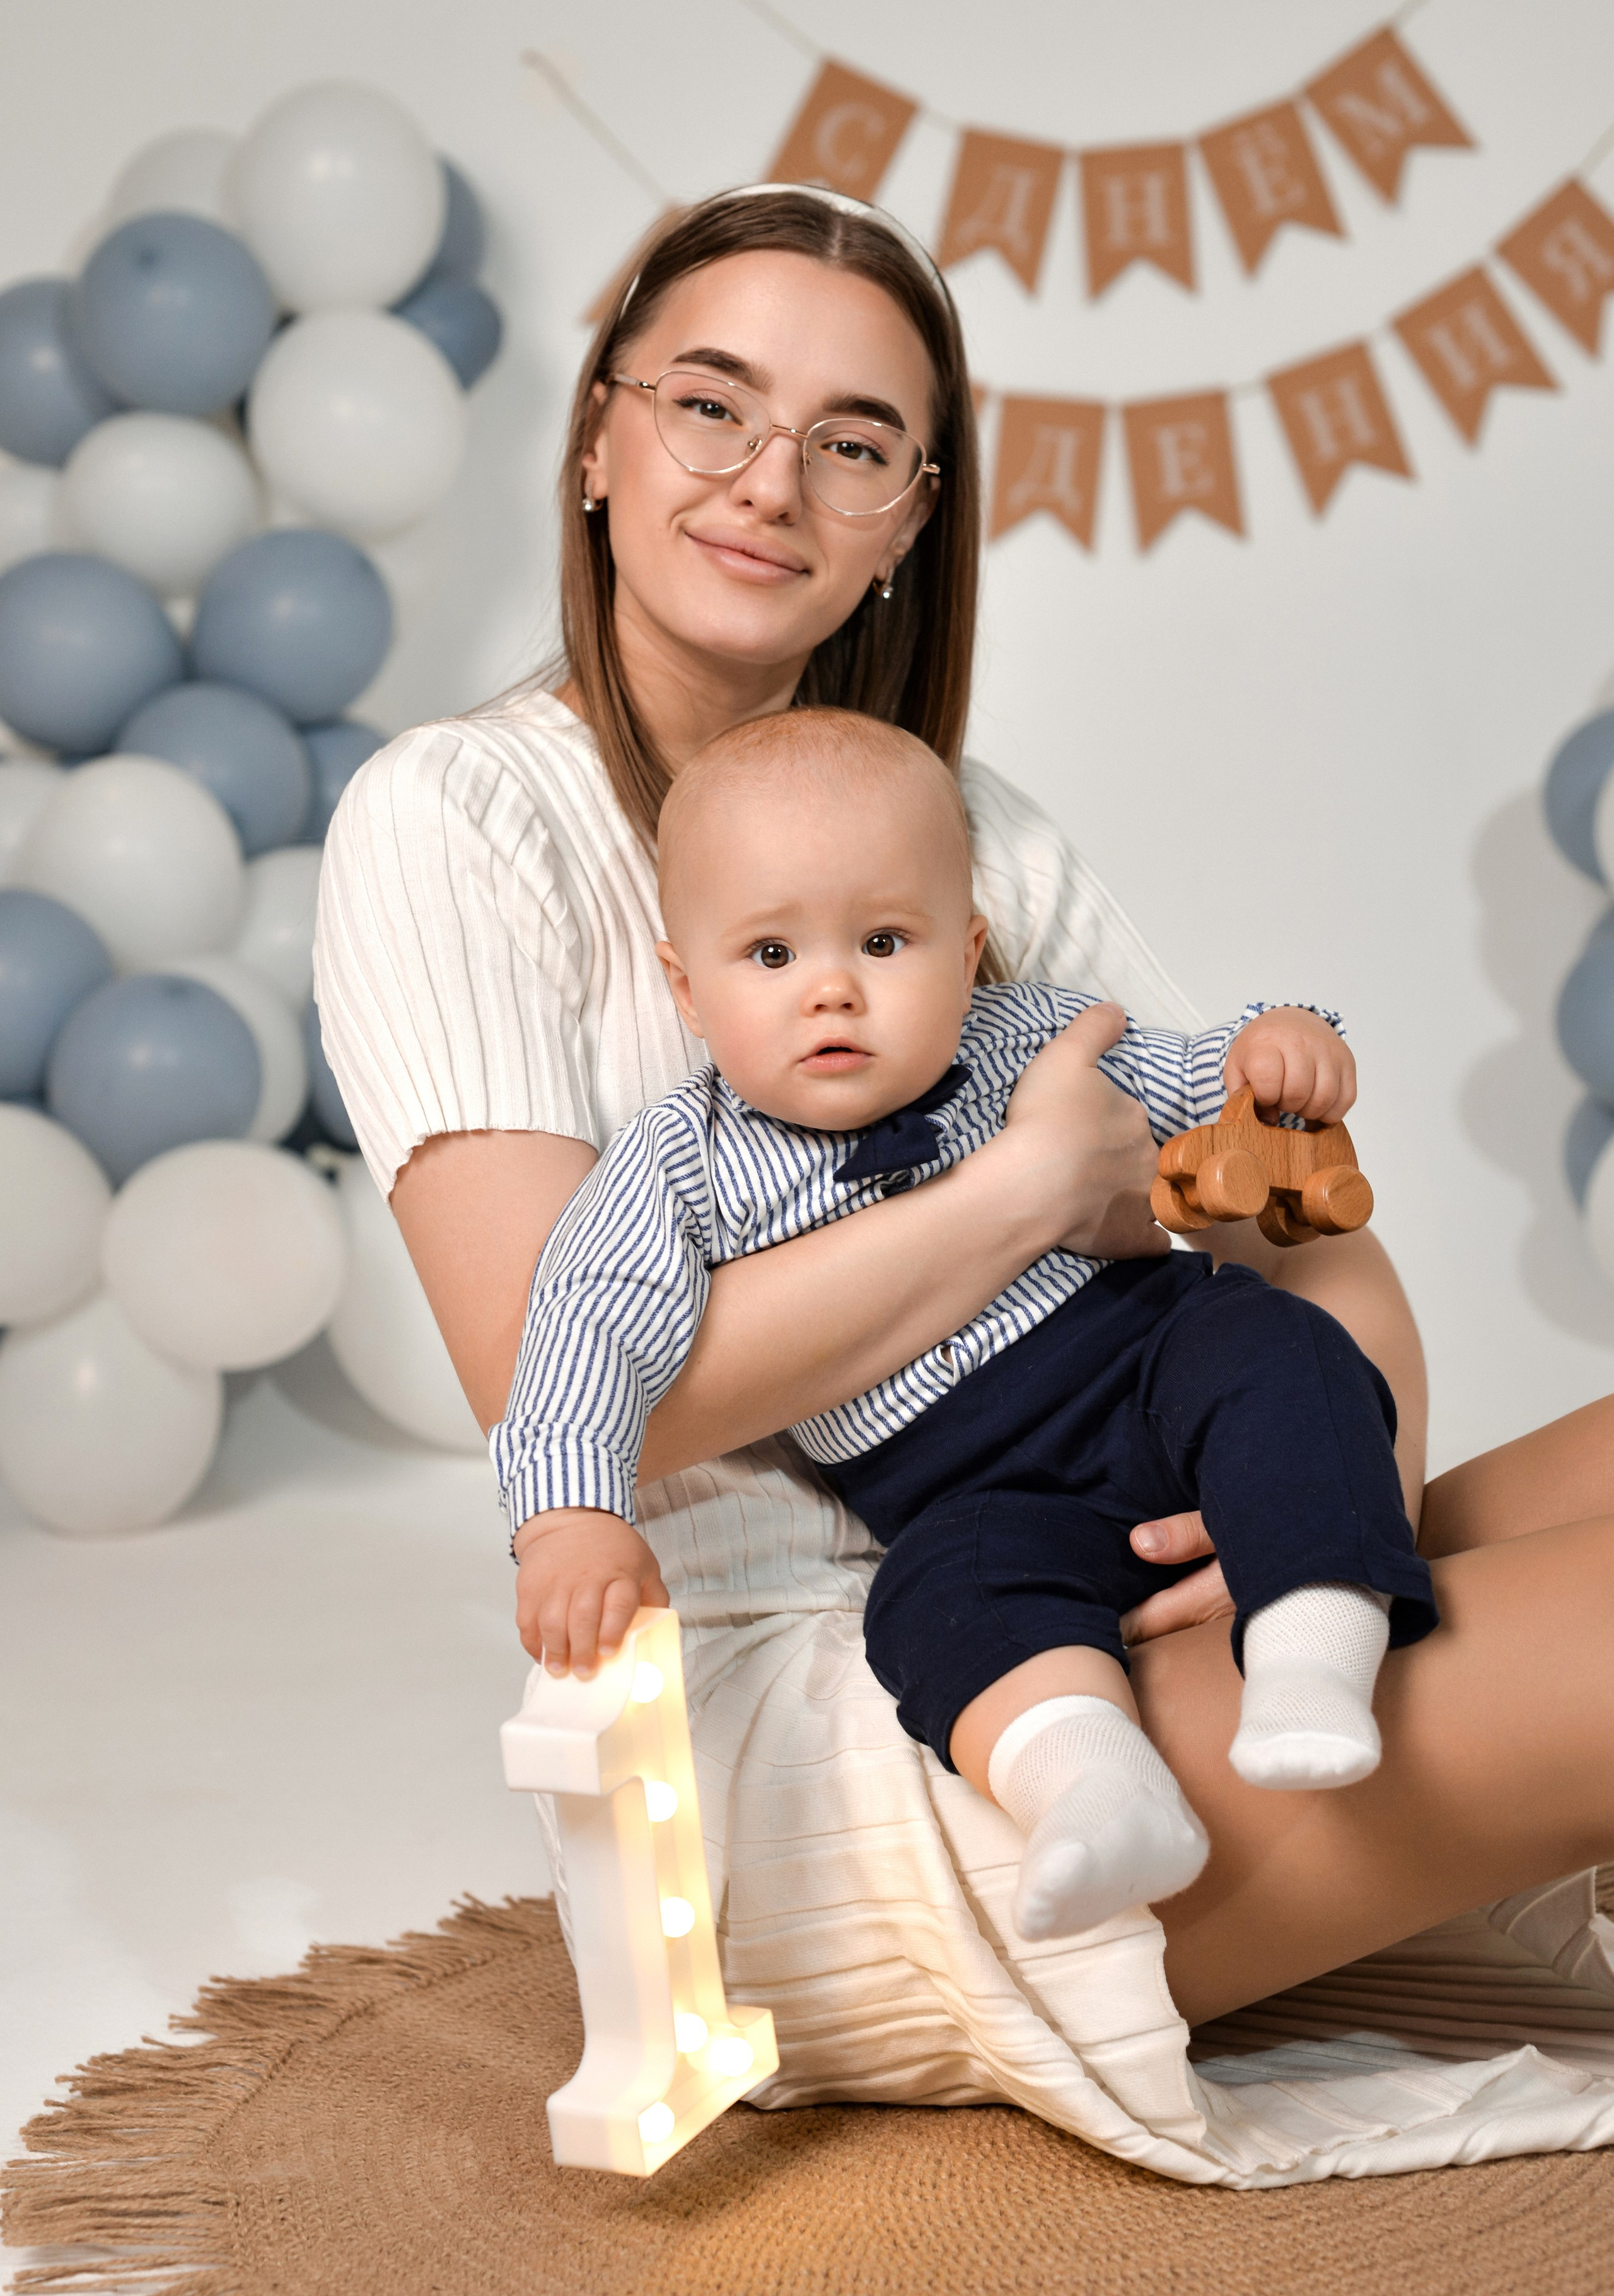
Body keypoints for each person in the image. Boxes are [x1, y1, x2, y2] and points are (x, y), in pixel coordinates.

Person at [315, 182, 1614, 2051]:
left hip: (1156, 1562)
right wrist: (1026, 1190)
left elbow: (1286, 1204)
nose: (769, 480)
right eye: (710, 404)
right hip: (897, 1697)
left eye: (854, 444)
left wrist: (1326, 1528)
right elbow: (564, 1375)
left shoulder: (964, 829)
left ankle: (1329, 1636)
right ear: (599, 431)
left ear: (911, 520)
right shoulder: (456, 821)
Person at [496, 704, 1436, 1944]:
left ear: (964, 949)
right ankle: (1090, 1788)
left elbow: (1193, 1078)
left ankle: (1312, 1660)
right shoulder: (678, 1165)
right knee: (933, 1602)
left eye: (883, 940)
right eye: (769, 955)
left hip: (1141, 1365)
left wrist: (1276, 1050)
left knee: (1277, 1353)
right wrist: (568, 1516)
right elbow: (585, 1332)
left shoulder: (1022, 1037)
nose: (831, 987)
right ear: (684, 984)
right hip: (959, 1490)